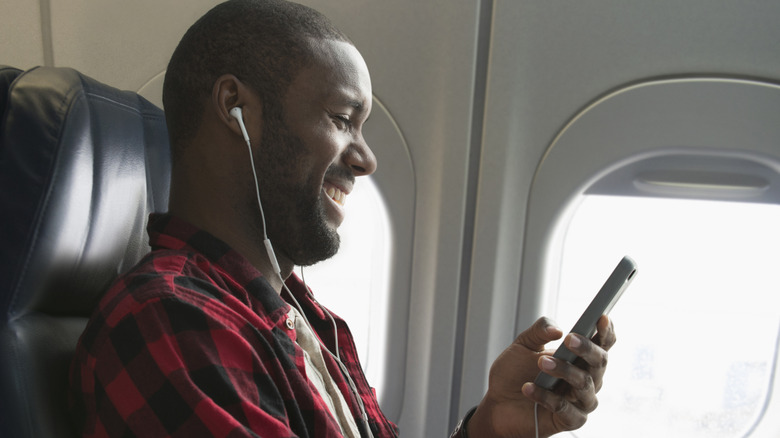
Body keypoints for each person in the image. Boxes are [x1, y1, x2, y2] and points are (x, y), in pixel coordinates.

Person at [68, 1, 616, 437]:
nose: (366, 159)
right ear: (236, 107)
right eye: (342, 119)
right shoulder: (168, 319)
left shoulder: (306, 318)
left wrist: (494, 424)